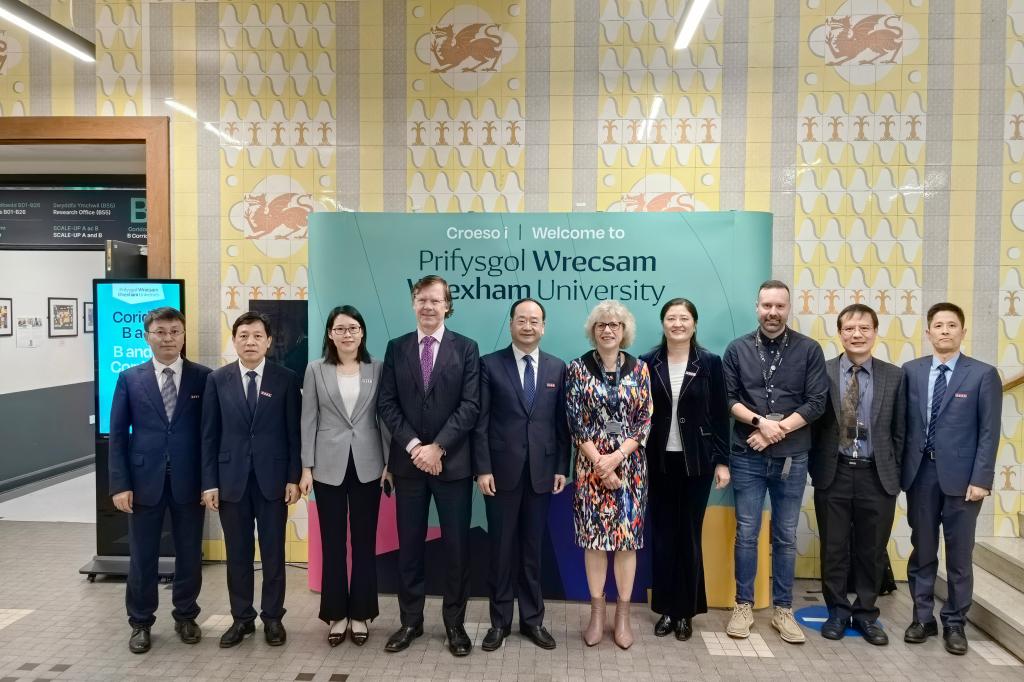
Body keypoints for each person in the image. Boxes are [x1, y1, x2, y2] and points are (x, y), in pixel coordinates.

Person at [376, 275, 480, 657]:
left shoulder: (466, 348)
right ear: (413, 304)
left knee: (456, 549)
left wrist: (438, 448)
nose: (428, 306)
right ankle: (410, 621)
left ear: (447, 305)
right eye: (421, 299)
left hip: (452, 466)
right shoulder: (397, 347)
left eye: (435, 300)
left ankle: (454, 624)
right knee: (409, 549)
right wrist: (417, 447)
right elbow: (387, 404)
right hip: (409, 466)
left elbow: (470, 405)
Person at [722, 280, 828, 644]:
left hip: (792, 457)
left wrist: (774, 430)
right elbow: (728, 399)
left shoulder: (809, 349)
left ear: (788, 308)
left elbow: (816, 402)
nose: (772, 312)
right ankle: (743, 606)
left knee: (785, 536)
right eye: (767, 305)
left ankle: (783, 609)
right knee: (747, 533)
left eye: (779, 306)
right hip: (747, 457)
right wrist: (760, 423)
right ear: (757, 307)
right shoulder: (737, 349)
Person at [109, 307, 211, 654]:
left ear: (183, 335)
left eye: (175, 331)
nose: (168, 338)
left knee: (189, 553)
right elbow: (118, 436)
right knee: (143, 556)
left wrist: (209, 482)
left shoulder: (203, 378)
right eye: (161, 332)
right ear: (147, 337)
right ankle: (140, 622)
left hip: (190, 481)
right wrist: (120, 484)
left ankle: (186, 615)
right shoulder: (129, 378)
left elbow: (210, 435)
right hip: (143, 482)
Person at [901, 302, 1001, 655]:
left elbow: (989, 431)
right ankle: (922, 618)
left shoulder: (983, 374)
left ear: (963, 331)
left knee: (959, 557)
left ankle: (955, 622)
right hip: (920, 475)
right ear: (928, 332)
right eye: (939, 325)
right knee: (923, 551)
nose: (945, 330)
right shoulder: (911, 371)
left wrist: (982, 478)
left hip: (964, 480)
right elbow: (903, 426)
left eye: (952, 325)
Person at [473, 298, 570, 652]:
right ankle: (499, 622)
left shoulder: (558, 367)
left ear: (543, 326)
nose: (528, 326)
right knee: (500, 551)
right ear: (512, 323)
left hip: (542, 474)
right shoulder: (489, 364)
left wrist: (562, 467)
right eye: (521, 320)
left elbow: (562, 425)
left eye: (534, 320)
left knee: (532, 550)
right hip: (500, 474)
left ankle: (532, 621)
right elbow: (480, 422)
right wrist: (482, 468)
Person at [201, 311, 302, 648]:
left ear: (269, 341)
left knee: (273, 554)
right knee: (238, 555)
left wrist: (293, 477)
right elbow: (209, 436)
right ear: (234, 340)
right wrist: (209, 483)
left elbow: (294, 434)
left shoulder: (286, 379)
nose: (250, 342)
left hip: (274, 481)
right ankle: (241, 618)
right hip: (231, 482)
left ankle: (272, 618)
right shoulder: (217, 380)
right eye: (243, 336)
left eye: (258, 336)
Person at [809, 304, 905, 645]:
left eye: (864, 328)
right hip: (833, 471)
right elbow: (813, 425)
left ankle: (865, 614)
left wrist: (896, 473)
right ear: (840, 333)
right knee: (833, 548)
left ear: (875, 332)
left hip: (876, 475)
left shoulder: (895, 376)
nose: (857, 334)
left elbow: (901, 431)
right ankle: (836, 612)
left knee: (871, 550)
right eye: (849, 328)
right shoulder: (822, 371)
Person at [299, 305, 390, 647]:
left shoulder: (377, 368)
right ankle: (336, 614)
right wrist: (306, 467)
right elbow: (308, 420)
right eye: (340, 329)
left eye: (353, 328)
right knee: (333, 542)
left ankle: (361, 613)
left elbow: (384, 418)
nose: (347, 334)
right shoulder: (315, 369)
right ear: (330, 334)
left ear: (362, 332)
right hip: (327, 466)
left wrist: (389, 464)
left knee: (364, 542)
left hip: (369, 464)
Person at [639, 298, 730, 642]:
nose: (677, 324)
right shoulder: (647, 362)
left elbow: (720, 414)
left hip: (698, 461)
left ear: (694, 323)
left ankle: (686, 612)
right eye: (671, 318)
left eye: (684, 318)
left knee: (689, 536)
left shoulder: (710, 363)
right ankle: (665, 609)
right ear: (663, 323)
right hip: (658, 461)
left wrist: (723, 461)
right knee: (663, 536)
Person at [566, 300, 652, 650]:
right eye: (601, 324)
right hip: (590, 468)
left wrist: (616, 458)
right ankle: (597, 614)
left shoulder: (640, 369)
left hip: (630, 468)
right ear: (593, 330)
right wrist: (600, 464)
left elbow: (644, 420)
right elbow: (575, 421)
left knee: (626, 542)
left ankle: (623, 616)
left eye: (615, 324)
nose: (608, 330)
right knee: (595, 542)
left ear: (624, 330)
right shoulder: (577, 368)